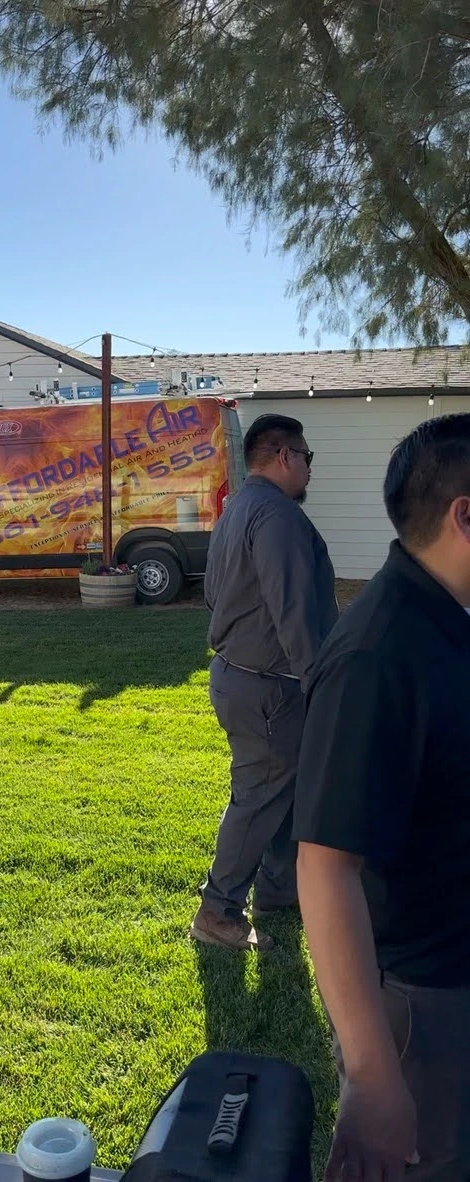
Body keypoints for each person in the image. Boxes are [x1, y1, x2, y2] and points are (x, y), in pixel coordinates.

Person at [294, 413, 470, 1181]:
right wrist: (370, 1075)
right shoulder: (377, 653)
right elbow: (324, 869)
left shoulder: (447, 614)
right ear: (465, 515)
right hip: (419, 1008)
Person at [191, 413, 338, 952]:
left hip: (242, 676)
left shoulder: (237, 509)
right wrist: (324, 687)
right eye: (307, 458)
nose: (308, 470)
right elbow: (295, 613)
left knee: (283, 791)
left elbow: (214, 594)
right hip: (270, 688)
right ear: (284, 457)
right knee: (257, 798)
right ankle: (218, 910)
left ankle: (278, 890)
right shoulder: (275, 516)